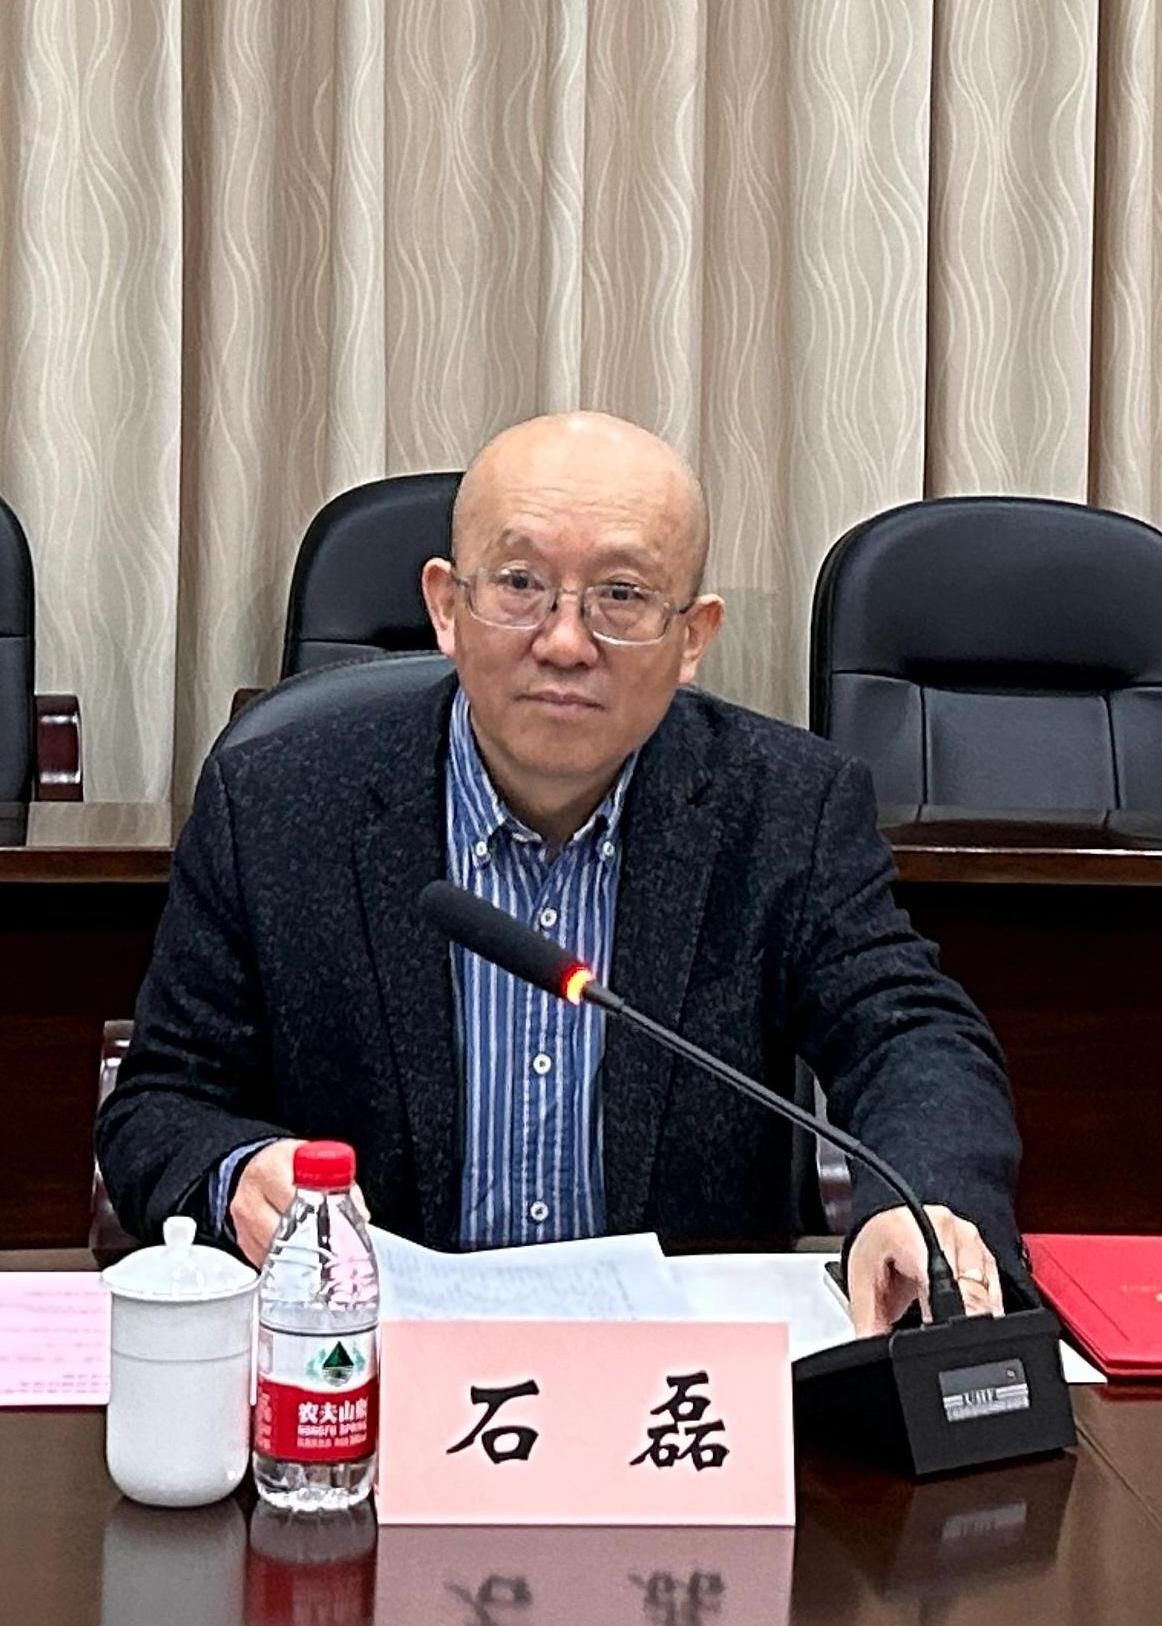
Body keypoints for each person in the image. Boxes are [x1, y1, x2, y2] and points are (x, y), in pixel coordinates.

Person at [97, 411, 1026, 1336]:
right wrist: (237, 1173)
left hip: (674, 1384)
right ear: (446, 607)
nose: (565, 642)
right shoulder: (277, 804)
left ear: (693, 636)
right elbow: (161, 1100)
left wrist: (921, 1204)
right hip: (372, 1365)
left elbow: (910, 1038)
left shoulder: (786, 808)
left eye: (620, 595)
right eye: (519, 584)